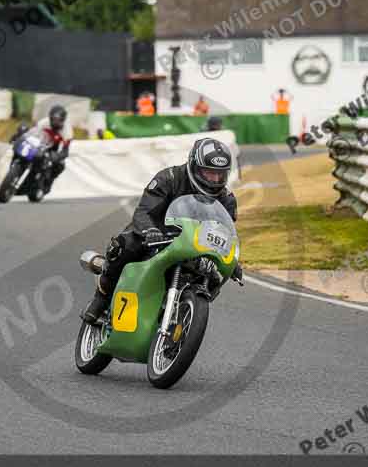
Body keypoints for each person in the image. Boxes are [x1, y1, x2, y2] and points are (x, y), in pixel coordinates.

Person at [83, 137, 242, 323]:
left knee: (216, 275)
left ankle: (185, 315)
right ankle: (101, 297)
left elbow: (225, 232)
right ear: (194, 165)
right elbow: (144, 211)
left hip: (196, 245)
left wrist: (232, 261)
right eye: (208, 173)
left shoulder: (227, 199)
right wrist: (150, 231)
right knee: (124, 245)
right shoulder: (169, 178)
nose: (214, 180)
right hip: (157, 235)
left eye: (220, 174)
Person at [23, 105, 73, 194]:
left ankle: (48, 182)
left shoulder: (67, 131)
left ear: (63, 120)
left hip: (54, 148)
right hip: (40, 143)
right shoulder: (43, 123)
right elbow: (31, 134)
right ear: (50, 118)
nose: (55, 123)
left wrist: (57, 156)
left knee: (60, 165)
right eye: (53, 119)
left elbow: (65, 151)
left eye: (58, 120)